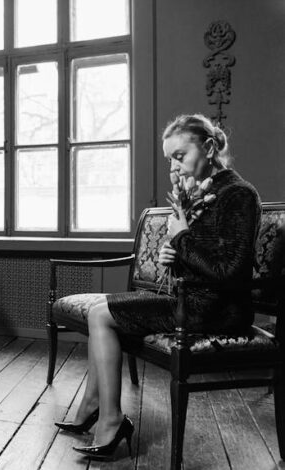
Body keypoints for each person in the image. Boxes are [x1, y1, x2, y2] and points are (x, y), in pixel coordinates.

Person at [54, 114, 262, 460]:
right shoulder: (206, 192)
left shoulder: (237, 194)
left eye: (180, 156)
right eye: (170, 159)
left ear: (209, 148)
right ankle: (95, 406)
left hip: (217, 310)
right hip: (192, 301)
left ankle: (110, 419)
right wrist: (176, 254)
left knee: (101, 315)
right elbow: (205, 259)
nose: (175, 166)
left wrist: (181, 236)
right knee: (99, 311)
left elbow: (230, 272)